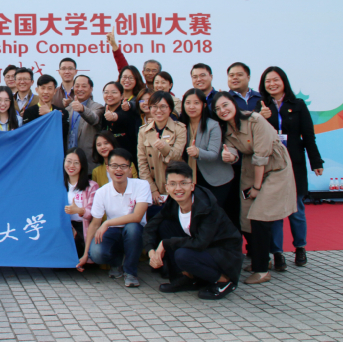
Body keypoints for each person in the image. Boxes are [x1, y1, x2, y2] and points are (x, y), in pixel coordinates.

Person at [213, 91, 297, 285]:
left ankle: (262, 270)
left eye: (225, 105)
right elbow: (232, 150)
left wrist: (257, 188)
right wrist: (230, 156)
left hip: (273, 169)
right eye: (217, 109)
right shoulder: (227, 129)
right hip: (251, 170)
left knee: (260, 216)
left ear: (234, 104)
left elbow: (261, 157)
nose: (222, 110)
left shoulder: (255, 120)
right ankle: (262, 258)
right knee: (246, 217)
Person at [144, 161, 243, 300]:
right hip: (205, 248)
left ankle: (223, 280)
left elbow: (200, 243)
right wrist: (151, 252)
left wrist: (165, 244)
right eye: (173, 184)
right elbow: (151, 226)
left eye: (183, 183)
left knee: (182, 255)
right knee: (165, 225)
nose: (178, 188)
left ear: (192, 185)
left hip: (225, 253)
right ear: (167, 187)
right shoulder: (173, 202)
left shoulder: (206, 206)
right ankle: (188, 277)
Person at [259, 66, 323, 269]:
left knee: (296, 209)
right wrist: (261, 117)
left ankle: (300, 248)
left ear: (284, 81)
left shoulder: (298, 104)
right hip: (272, 164)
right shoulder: (261, 106)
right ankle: (277, 253)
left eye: (275, 80)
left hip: (294, 163)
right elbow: (257, 136)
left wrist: (316, 162)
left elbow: (308, 135)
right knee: (276, 212)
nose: (272, 84)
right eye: (268, 81)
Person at [79, 149, 151, 288]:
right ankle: (117, 262)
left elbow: (137, 217)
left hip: (134, 230)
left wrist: (107, 223)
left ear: (130, 169)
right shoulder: (102, 192)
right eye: (114, 166)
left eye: (123, 166)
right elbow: (95, 224)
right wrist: (85, 253)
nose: (119, 170)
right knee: (96, 254)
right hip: (113, 231)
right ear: (108, 168)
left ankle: (130, 272)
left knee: (132, 228)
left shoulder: (142, 185)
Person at [179, 89, 234, 209]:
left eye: (196, 103)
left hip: (217, 178)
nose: (191, 107)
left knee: (213, 213)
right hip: (193, 178)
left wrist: (198, 152)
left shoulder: (212, 125)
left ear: (204, 105)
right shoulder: (181, 125)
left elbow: (213, 154)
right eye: (188, 103)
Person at [137, 91, 187, 217]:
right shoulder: (143, 131)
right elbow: (142, 163)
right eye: (154, 106)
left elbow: (177, 156)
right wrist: (152, 189)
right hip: (154, 191)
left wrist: (164, 147)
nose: (158, 110)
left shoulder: (180, 129)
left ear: (170, 109)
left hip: (176, 187)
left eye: (163, 106)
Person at [63, 148, 98, 259]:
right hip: (64, 227)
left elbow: (93, 214)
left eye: (76, 163)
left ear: (82, 165)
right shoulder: (58, 185)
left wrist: (79, 210)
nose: (71, 166)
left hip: (83, 227)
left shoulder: (92, 186)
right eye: (68, 161)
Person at [65, 75, 103, 173]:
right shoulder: (68, 109)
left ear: (91, 89)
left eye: (84, 86)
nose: (80, 89)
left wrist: (82, 109)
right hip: (70, 163)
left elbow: (94, 119)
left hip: (88, 162)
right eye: (77, 86)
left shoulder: (98, 107)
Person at [22, 74, 69, 148]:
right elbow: (29, 134)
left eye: (49, 88)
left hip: (55, 151)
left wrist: (50, 114)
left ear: (55, 91)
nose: (46, 92)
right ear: (37, 90)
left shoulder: (63, 112)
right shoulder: (29, 112)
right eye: (43, 88)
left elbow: (63, 133)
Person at [99, 81, 137, 156]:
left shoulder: (127, 111)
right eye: (106, 92)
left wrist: (113, 116)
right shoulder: (102, 112)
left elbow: (121, 116)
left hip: (126, 157)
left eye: (114, 92)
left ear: (122, 96)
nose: (109, 95)